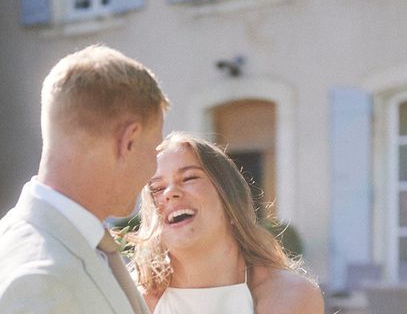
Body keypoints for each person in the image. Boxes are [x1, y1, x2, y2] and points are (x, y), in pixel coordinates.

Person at [0, 45, 169, 314]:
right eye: (154, 149)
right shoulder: (39, 282)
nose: (153, 168)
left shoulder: (26, 230)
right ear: (129, 141)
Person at [131, 132, 324, 313]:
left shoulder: (289, 294)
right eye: (157, 188)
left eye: (189, 177)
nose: (170, 193)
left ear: (229, 198)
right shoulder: (131, 301)